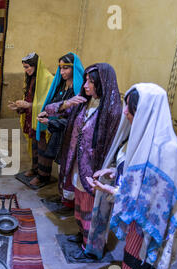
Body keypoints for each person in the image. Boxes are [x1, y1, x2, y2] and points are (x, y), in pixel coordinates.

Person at [86, 83, 177, 269]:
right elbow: (136, 177)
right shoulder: (146, 139)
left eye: (131, 108)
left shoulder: (166, 151)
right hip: (137, 228)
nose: (125, 112)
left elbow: (150, 205)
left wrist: (110, 191)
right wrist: (116, 172)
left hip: (152, 233)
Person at [44, 63, 122, 258]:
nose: (86, 85)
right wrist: (67, 103)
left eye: (91, 82)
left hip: (95, 169)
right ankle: (81, 235)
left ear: (102, 84)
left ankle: (92, 248)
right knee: (80, 203)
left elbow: (114, 146)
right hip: (77, 165)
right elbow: (50, 109)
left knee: (92, 209)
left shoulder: (112, 112)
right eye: (86, 80)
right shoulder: (83, 102)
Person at [37, 53, 84, 196]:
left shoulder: (79, 90)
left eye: (66, 68)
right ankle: (63, 197)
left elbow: (76, 118)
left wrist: (51, 121)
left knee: (69, 167)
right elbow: (55, 106)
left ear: (74, 68)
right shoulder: (60, 86)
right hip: (59, 131)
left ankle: (69, 200)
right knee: (61, 167)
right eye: (60, 68)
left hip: (70, 134)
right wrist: (47, 114)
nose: (62, 72)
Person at [8, 53, 53, 186]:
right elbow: (29, 97)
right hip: (31, 116)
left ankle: (43, 175)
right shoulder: (31, 78)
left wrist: (29, 105)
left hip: (41, 119)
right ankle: (35, 169)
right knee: (33, 143)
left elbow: (48, 104)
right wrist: (19, 106)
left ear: (35, 65)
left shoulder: (48, 79)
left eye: (27, 67)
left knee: (42, 146)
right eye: (24, 67)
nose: (26, 70)